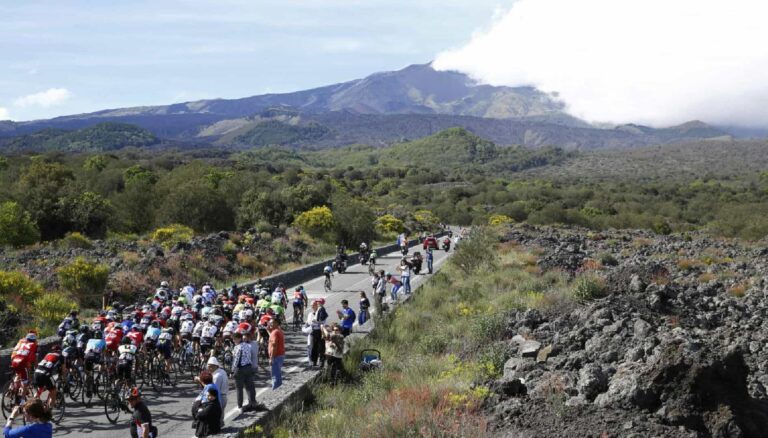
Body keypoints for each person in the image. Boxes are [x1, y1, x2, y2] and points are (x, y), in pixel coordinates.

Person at [231, 332, 260, 411]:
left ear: (239, 338)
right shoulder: (247, 346)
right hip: (248, 367)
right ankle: (253, 402)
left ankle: (240, 406)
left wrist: (232, 371)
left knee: (239, 388)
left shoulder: (237, 347)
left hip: (240, 369)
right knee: (250, 386)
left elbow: (236, 360)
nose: (233, 341)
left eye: (234, 339)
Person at [268, 318, 285, 390]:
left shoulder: (275, 332)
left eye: (272, 323)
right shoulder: (279, 331)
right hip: (280, 355)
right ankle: (278, 389)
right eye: (270, 322)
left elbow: (274, 345)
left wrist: (271, 357)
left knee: (275, 376)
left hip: (276, 356)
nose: (270, 324)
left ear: (277, 323)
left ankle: (275, 390)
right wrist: (268, 330)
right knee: (278, 374)